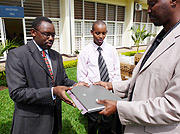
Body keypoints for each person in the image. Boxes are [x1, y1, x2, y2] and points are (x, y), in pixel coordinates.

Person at [95, 0, 180, 133]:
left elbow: (173, 107)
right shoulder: (160, 38)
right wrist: (111, 86)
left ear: (173, 1)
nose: (148, 10)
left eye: (153, 3)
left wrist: (119, 107)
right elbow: (142, 82)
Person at [5, 16, 88, 134]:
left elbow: (62, 79)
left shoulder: (56, 56)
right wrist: (52, 92)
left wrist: (75, 84)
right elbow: (17, 93)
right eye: (46, 34)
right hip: (31, 122)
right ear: (33, 32)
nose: (51, 38)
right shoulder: (17, 55)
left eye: (53, 35)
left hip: (53, 118)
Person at [77, 20, 121, 134]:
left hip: (109, 91)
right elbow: (82, 75)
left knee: (107, 120)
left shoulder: (112, 50)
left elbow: (116, 71)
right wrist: (93, 89)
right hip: (93, 92)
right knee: (93, 119)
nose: (100, 36)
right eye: (97, 33)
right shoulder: (85, 52)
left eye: (103, 33)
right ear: (92, 32)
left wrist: (114, 88)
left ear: (106, 33)